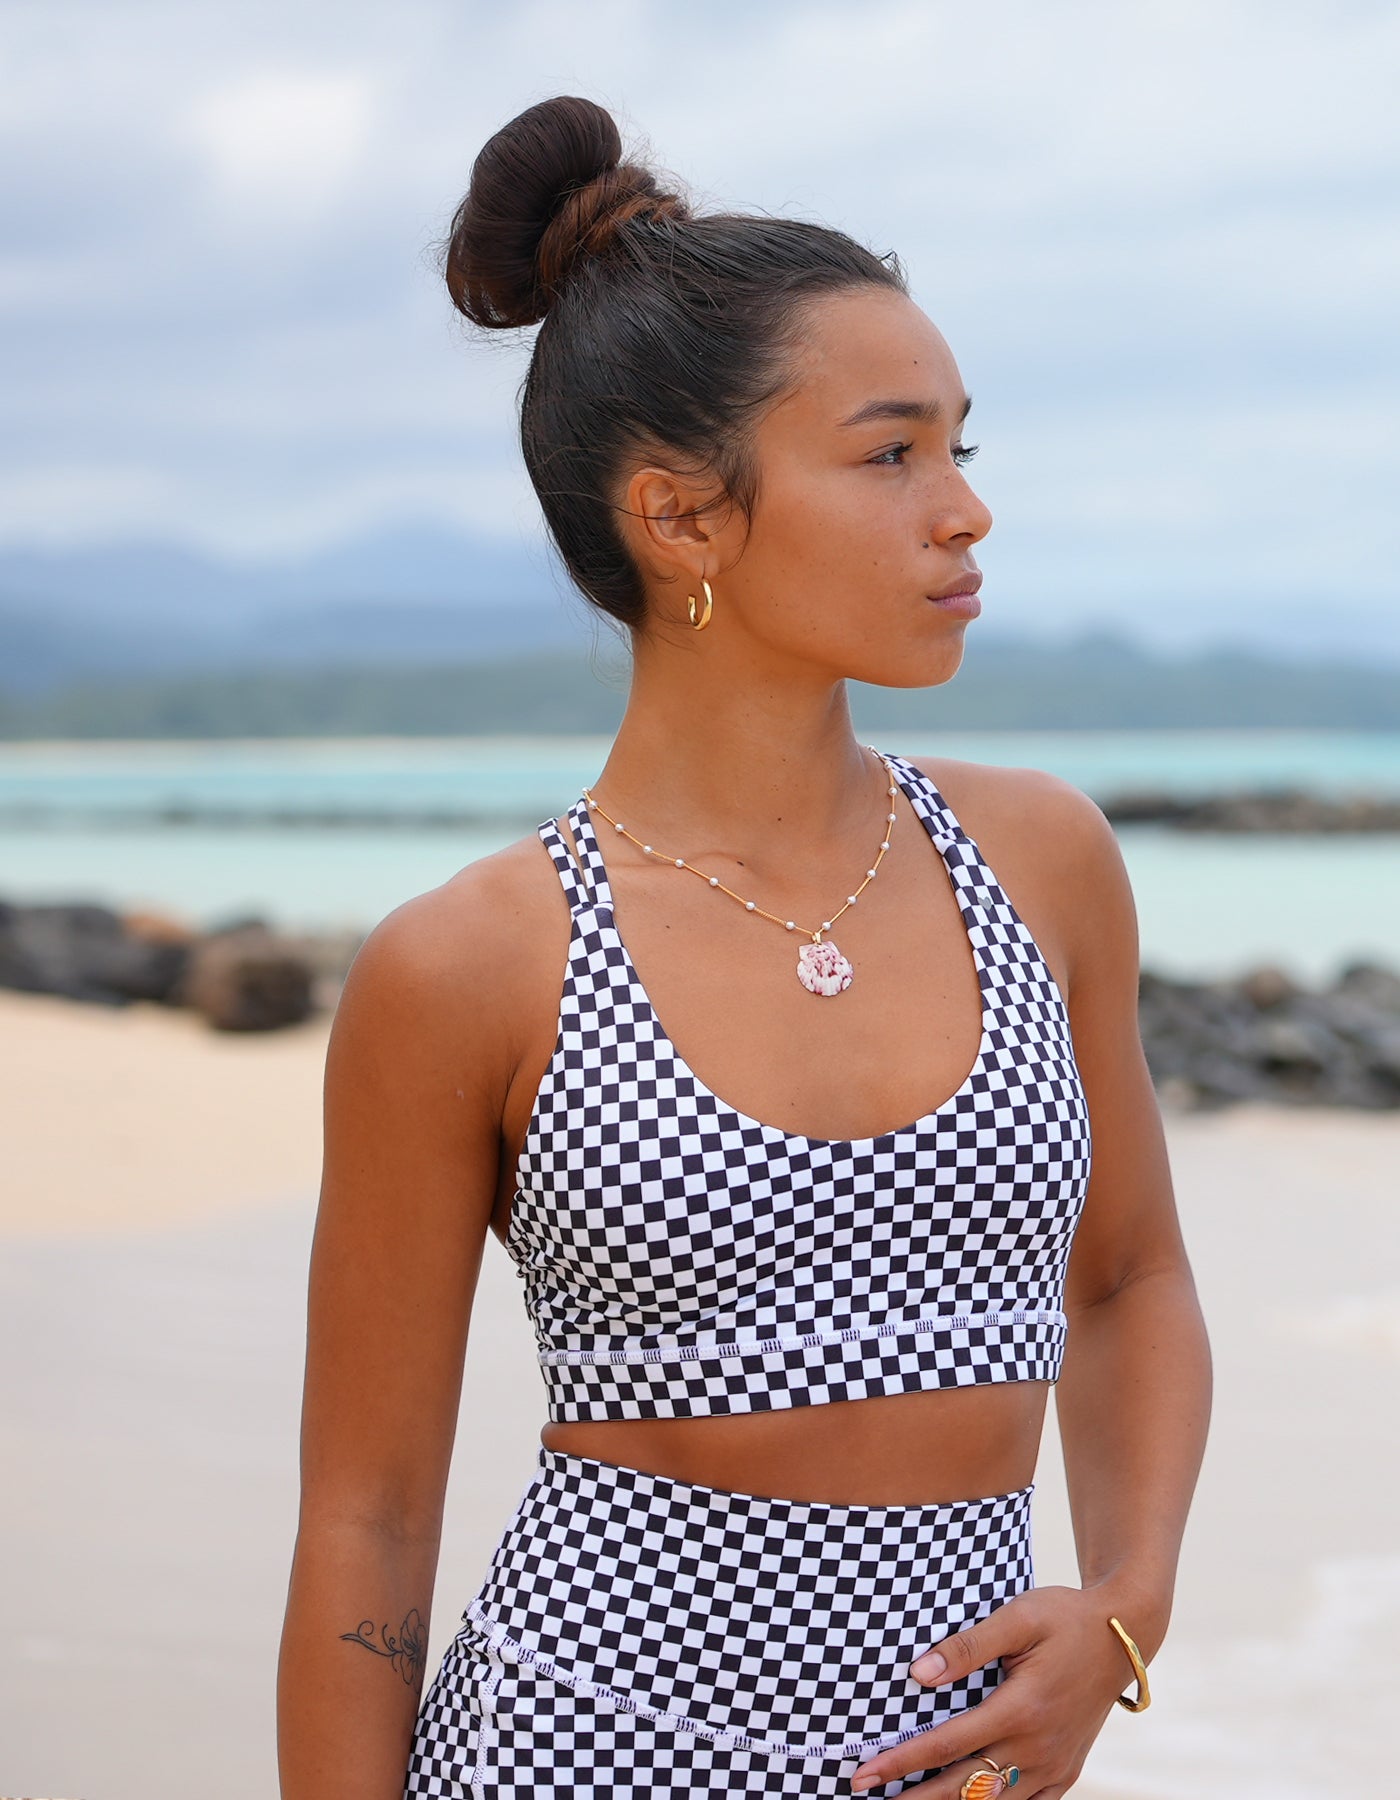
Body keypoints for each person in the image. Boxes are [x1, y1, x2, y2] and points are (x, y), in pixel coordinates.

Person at [276, 93, 1212, 1800]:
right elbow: (367, 1517)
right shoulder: (474, 965)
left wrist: (1125, 1610)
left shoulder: (1043, 863)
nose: (963, 512)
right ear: (683, 518)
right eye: (889, 454)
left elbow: (1128, 1279)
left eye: (962, 449)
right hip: (585, 1748)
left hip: (967, 1767)